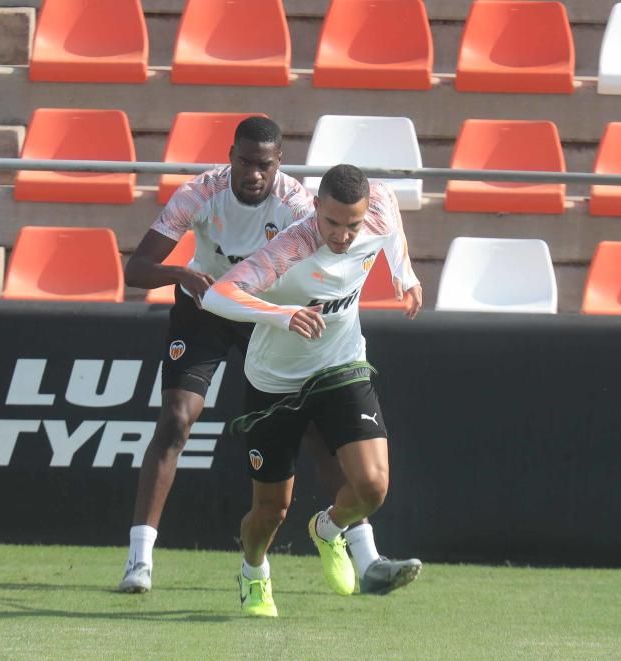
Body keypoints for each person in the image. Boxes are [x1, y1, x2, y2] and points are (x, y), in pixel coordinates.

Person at [118, 118, 418, 595]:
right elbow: (135, 269)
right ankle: (140, 560)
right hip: (209, 305)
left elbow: (373, 210)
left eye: (265, 164)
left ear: (280, 163)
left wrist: (402, 272)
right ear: (230, 155)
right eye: (245, 161)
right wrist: (181, 274)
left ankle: (365, 557)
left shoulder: (303, 206)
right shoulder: (200, 193)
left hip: (274, 312)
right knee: (177, 419)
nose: (254, 173)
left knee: (326, 433)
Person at [200, 164, 422, 617]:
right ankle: (254, 573)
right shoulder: (291, 247)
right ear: (316, 207)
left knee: (373, 486)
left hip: (340, 365)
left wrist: (405, 273)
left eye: (352, 225)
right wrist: (282, 314)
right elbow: (218, 295)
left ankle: (329, 528)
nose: (342, 235)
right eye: (332, 222)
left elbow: (391, 214)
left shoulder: (377, 208)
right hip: (275, 380)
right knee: (271, 512)